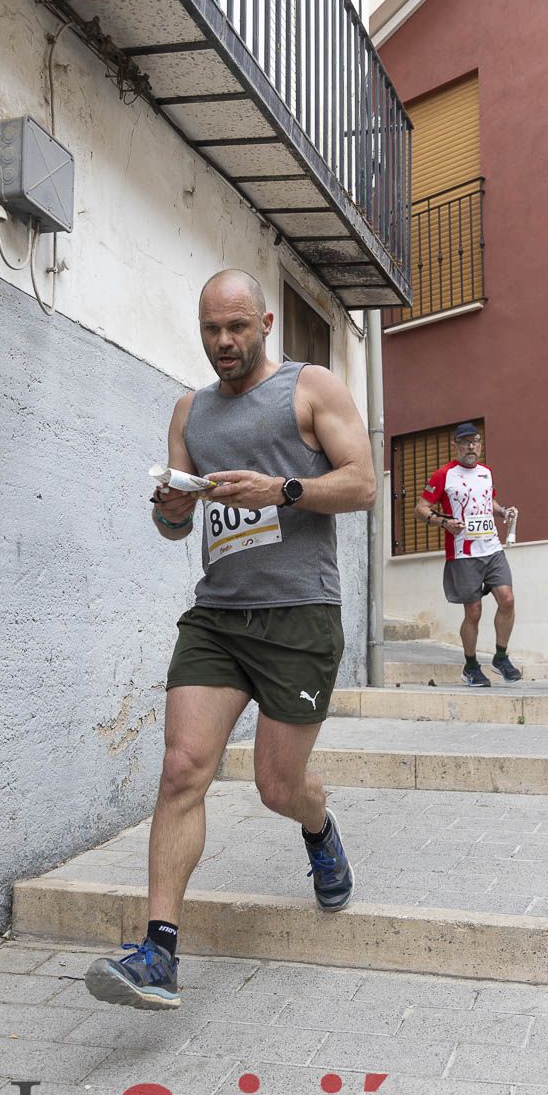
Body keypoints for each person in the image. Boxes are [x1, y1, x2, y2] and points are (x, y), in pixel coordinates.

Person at [84, 270, 376, 1010]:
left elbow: (364, 484)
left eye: (238, 327)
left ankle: (318, 824)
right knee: (183, 767)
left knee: (279, 786)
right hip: (218, 615)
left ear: (266, 322)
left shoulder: (311, 389)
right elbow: (174, 527)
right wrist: (172, 506)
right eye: (212, 328)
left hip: (299, 614)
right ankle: (158, 952)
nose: (224, 342)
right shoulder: (190, 411)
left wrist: (282, 489)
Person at [413, 422, 521, 688]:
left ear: (480, 444)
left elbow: (489, 500)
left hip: (492, 547)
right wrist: (444, 523)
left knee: (507, 600)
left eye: (475, 441)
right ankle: (471, 666)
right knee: (474, 611)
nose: (471, 446)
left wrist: (503, 511)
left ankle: (500, 657)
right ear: (456, 446)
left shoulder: (486, 472)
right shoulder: (443, 475)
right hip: (463, 553)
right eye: (465, 442)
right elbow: (421, 508)